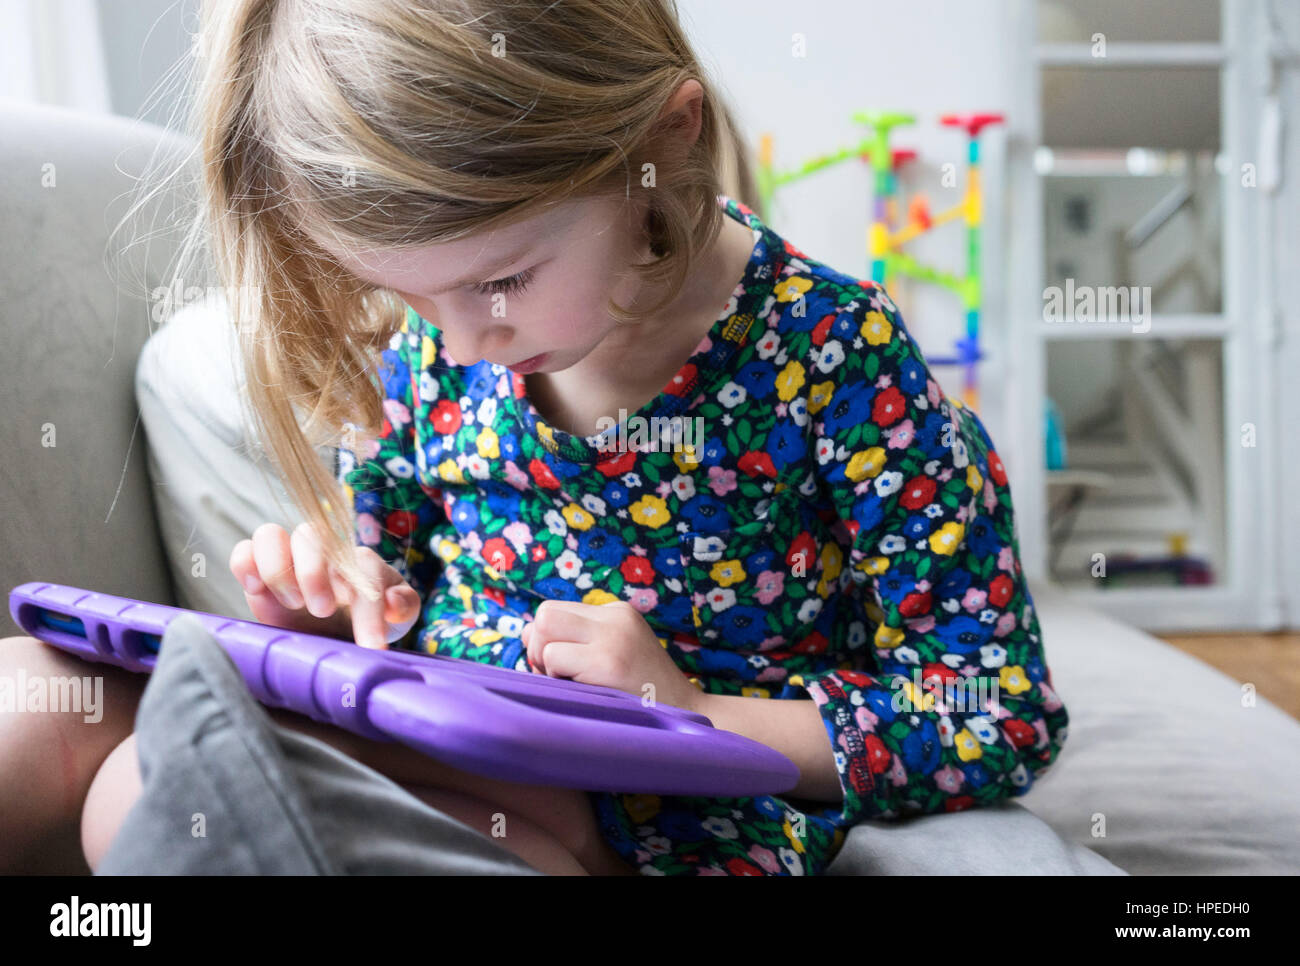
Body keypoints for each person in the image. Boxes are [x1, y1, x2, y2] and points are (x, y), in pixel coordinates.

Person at [6, 0, 1069, 876]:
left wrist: (688, 713)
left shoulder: (836, 358)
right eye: (410, 299)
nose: (460, 343)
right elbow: (395, 585)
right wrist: (328, 613)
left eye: (500, 281)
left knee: (142, 794)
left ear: (666, 139)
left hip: (637, 823)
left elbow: (996, 709)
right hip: (432, 736)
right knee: (43, 709)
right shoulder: (426, 357)